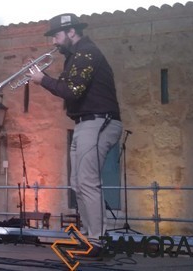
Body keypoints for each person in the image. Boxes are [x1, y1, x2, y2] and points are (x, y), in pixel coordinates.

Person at [28, 13, 123, 258]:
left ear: (72, 32)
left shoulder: (87, 52)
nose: (53, 42)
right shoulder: (75, 57)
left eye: (57, 36)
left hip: (99, 121)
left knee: (88, 181)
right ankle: (90, 237)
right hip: (84, 123)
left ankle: (98, 240)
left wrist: (42, 80)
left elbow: (71, 90)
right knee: (77, 183)